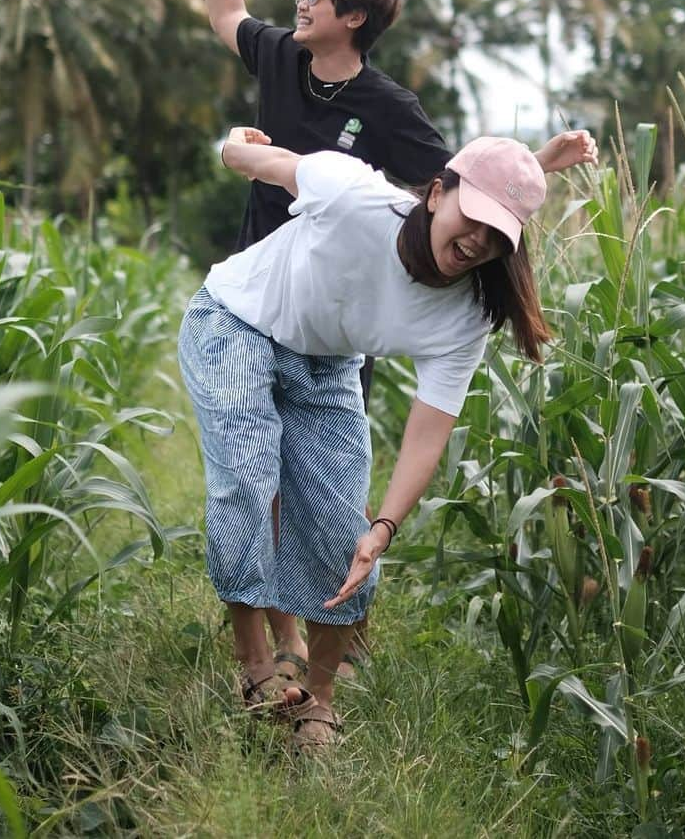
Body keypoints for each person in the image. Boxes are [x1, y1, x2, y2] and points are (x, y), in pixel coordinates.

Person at [188, 0, 599, 679]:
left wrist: (539, 167)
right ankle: (268, 634)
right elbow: (223, 9)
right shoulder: (277, 57)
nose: (300, 4)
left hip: (353, 307)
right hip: (265, 283)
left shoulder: (389, 110)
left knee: (315, 479)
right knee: (252, 464)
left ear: (355, 18)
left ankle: (308, 628)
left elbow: (459, 193)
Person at [178, 127, 591, 752]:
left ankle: (318, 703)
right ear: (434, 194)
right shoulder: (353, 197)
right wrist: (233, 143)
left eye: (498, 234)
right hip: (236, 321)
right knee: (248, 478)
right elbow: (266, 162)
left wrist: (385, 528)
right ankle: (255, 668)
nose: (478, 240)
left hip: (328, 362)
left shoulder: (470, 314)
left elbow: (429, 430)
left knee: (345, 529)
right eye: (472, 218)